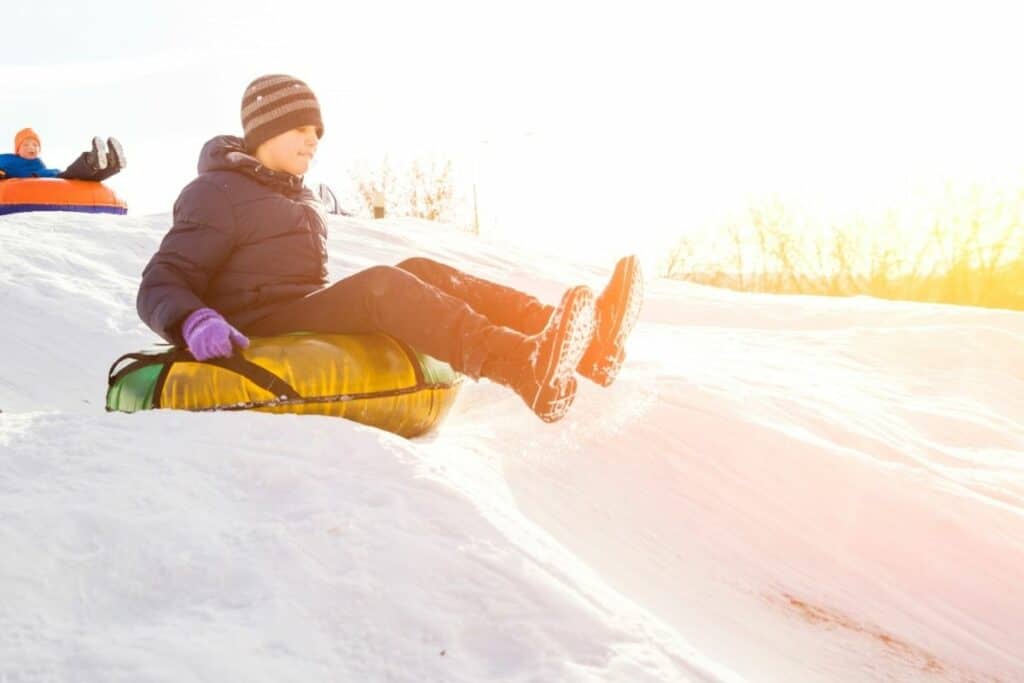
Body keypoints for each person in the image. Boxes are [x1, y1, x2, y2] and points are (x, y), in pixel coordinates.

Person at [136, 74, 643, 423]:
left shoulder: (293, 193)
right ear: (265, 129)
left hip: (296, 311)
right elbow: (162, 279)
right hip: (251, 327)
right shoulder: (217, 192)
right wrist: (193, 320)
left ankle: (587, 345)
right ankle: (521, 365)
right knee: (383, 287)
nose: (314, 141)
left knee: (420, 268)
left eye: (318, 133)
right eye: (301, 129)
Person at [0, 128, 126, 181]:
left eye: (35, 145)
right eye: (26, 145)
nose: (31, 148)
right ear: (17, 149)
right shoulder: (8, 159)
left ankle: (112, 163)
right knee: (70, 175)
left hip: (52, 179)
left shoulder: (38, 162)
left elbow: (43, 173)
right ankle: (91, 160)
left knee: (83, 179)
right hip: (52, 179)